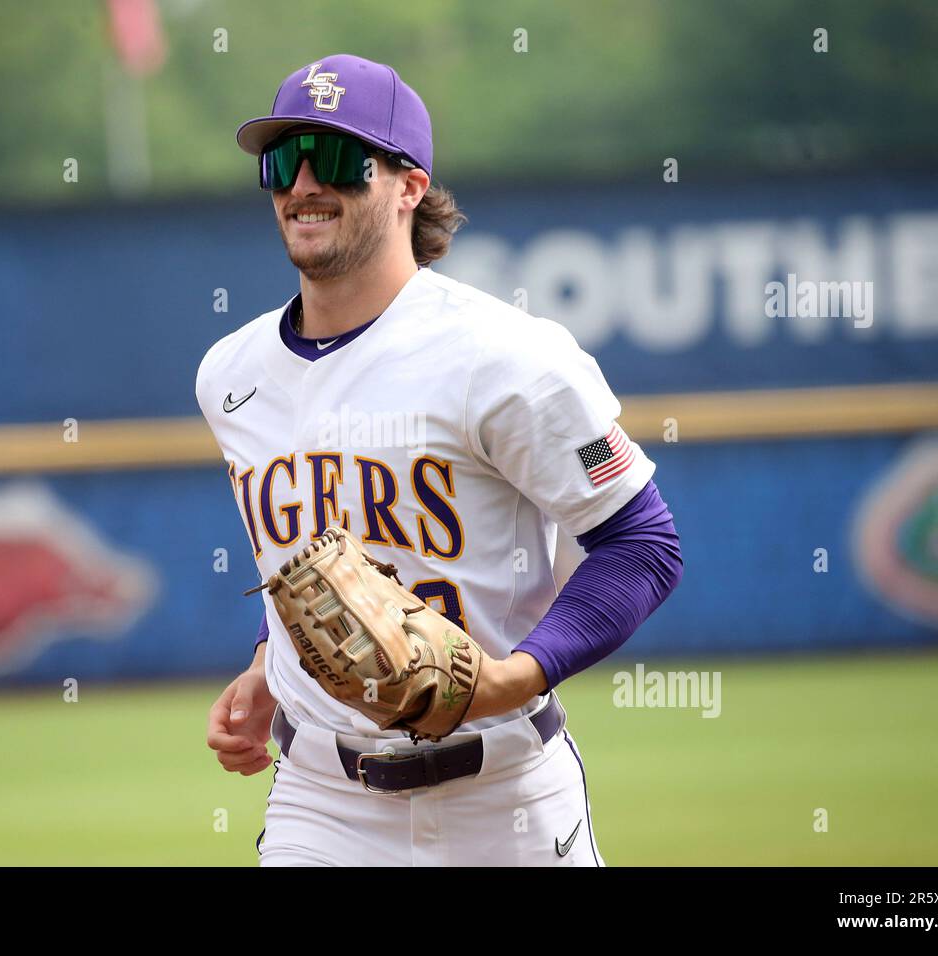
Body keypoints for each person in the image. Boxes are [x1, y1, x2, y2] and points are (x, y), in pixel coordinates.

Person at [197, 54, 683, 866]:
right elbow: (311, 559)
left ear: (410, 186)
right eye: (284, 160)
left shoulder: (508, 357)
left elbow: (642, 546)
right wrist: (263, 663)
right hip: (321, 803)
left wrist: (516, 676)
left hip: (508, 799)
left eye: (342, 159)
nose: (305, 183)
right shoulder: (232, 375)